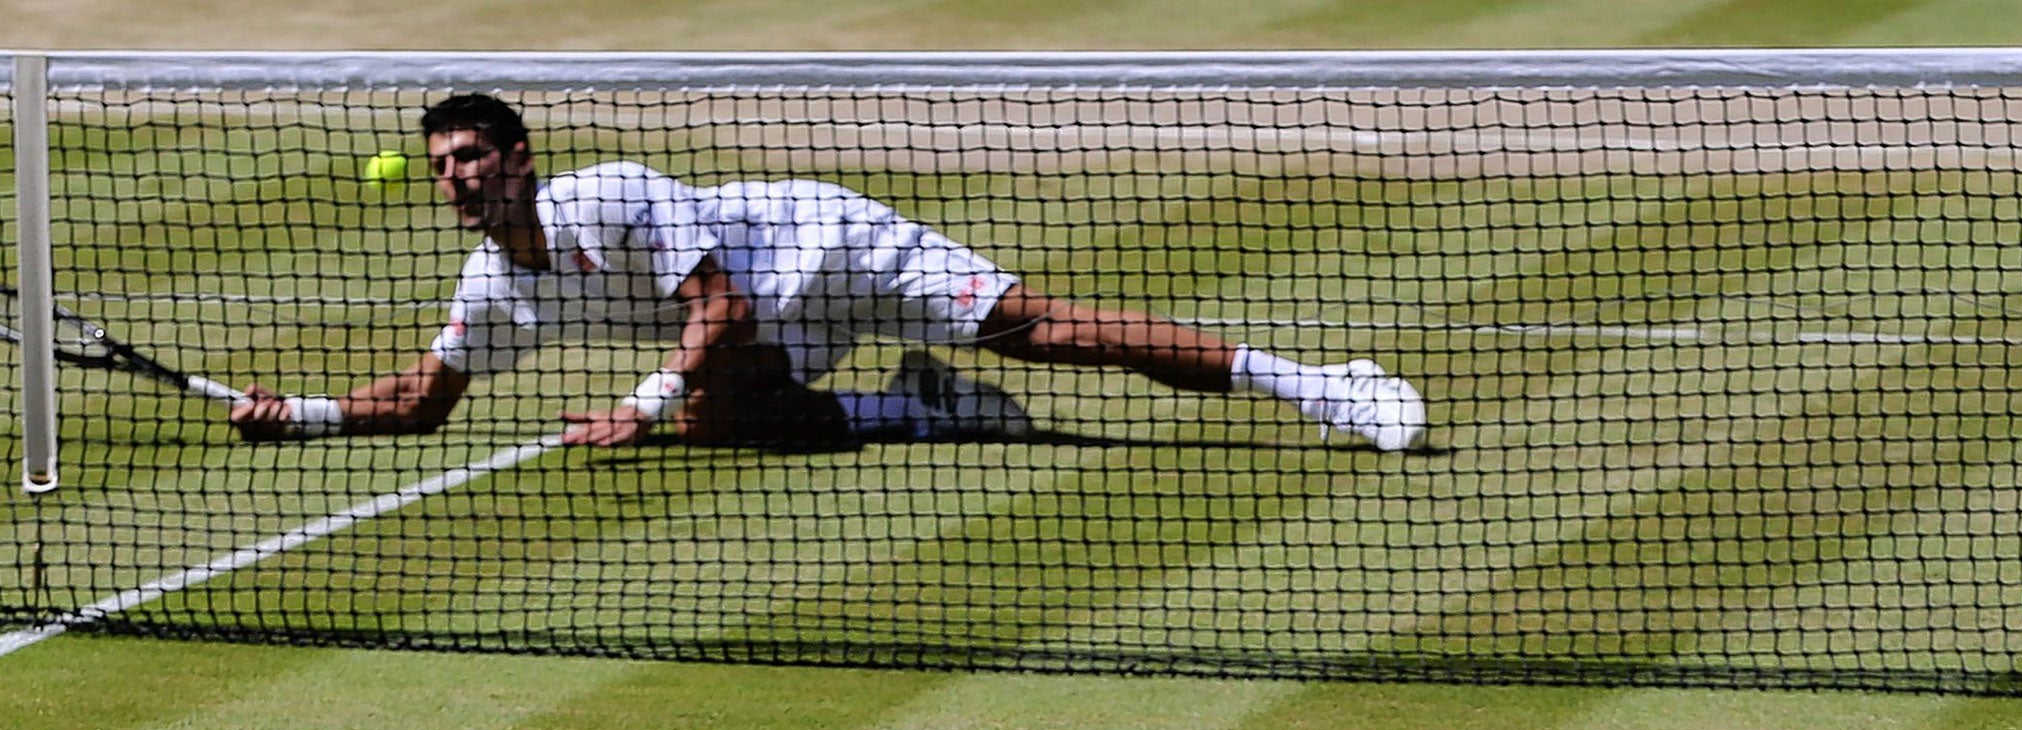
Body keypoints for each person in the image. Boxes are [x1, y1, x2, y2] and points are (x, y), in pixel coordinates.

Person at [229, 93, 1428, 453]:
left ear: (518, 159)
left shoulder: (609, 192)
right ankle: (916, 407)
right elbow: (426, 401)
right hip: (766, 327)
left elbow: (722, 305)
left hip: (834, 250)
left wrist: (635, 407)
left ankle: (1322, 385)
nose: (455, 175)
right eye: (442, 164)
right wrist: (304, 417)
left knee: (1047, 330)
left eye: (473, 155)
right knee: (721, 419)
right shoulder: (492, 289)